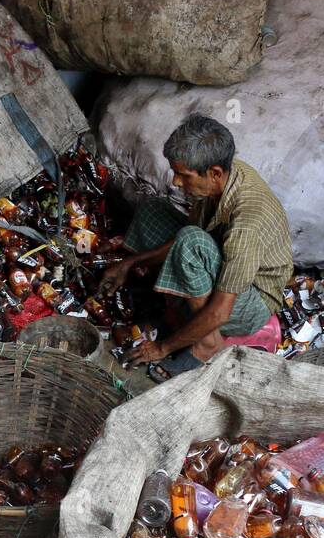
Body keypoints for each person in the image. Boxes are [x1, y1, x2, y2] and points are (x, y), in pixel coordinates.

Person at [99, 114, 293, 380]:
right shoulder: (217, 181)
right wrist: (131, 263)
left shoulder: (247, 222)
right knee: (153, 210)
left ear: (214, 173)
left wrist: (161, 348)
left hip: (253, 299)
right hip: (218, 260)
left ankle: (207, 343)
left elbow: (221, 310)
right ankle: (174, 315)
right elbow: (188, 239)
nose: (176, 182)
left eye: (183, 175)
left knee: (191, 241)